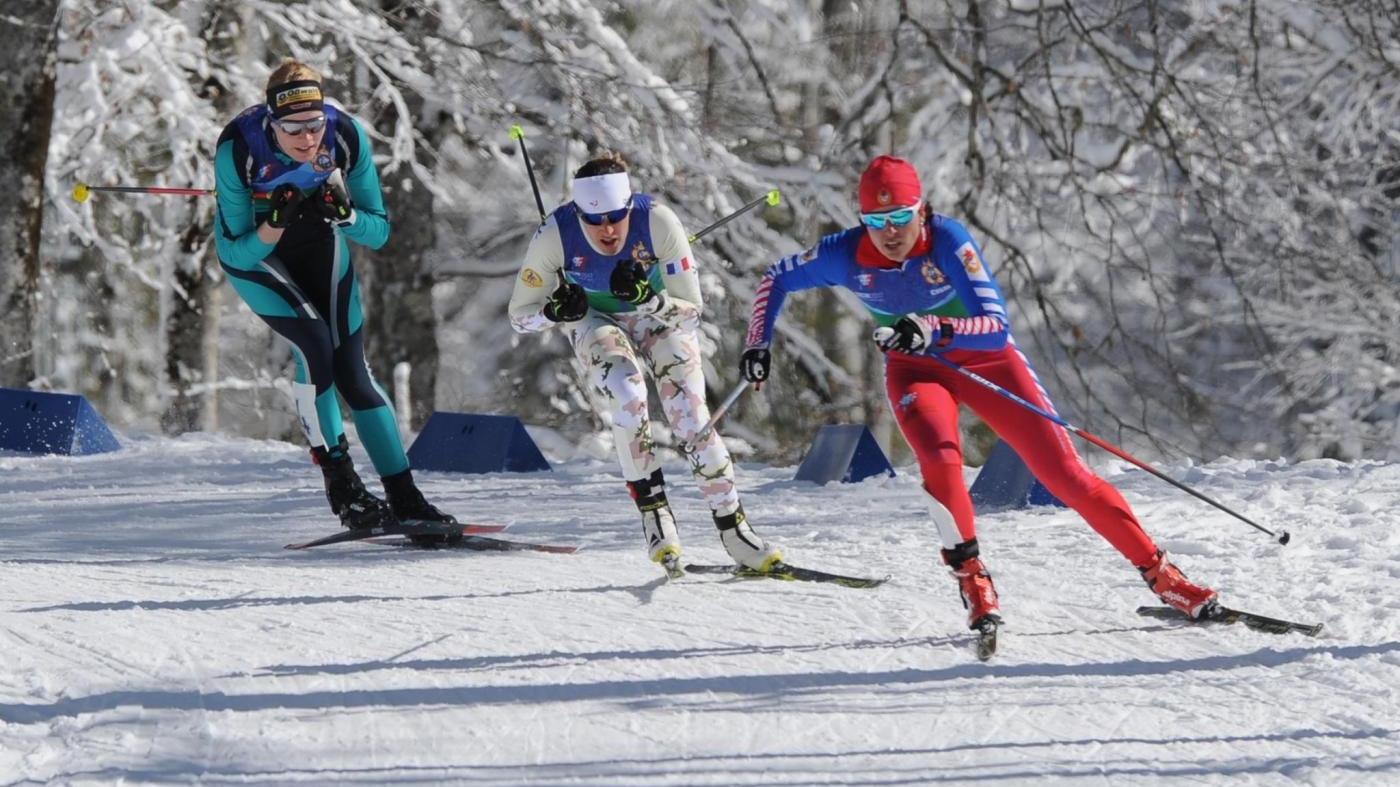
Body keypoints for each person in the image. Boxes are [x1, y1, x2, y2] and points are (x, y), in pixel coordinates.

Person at [739, 154, 1218, 630]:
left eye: (900, 217)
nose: (889, 232)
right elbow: (774, 278)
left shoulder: (947, 241)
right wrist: (757, 343)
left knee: (1066, 476)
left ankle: (1164, 577)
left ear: (920, 210)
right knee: (940, 459)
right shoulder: (844, 254)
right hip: (915, 372)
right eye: (875, 220)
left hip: (987, 362)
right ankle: (973, 579)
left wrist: (932, 328)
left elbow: (994, 327)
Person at [212, 59, 455, 533]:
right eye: (293, 129)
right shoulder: (238, 147)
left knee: (354, 372)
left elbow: (379, 232)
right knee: (314, 347)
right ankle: (343, 486)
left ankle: (404, 496)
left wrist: (345, 216)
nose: (308, 139)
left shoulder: (345, 136)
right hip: (257, 258)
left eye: (314, 124)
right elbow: (239, 251)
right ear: (270, 123)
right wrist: (274, 223)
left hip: (320, 245)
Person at [508, 153, 780, 574]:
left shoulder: (659, 222)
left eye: (616, 216)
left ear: (629, 205)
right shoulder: (553, 236)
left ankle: (734, 527)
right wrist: (555, 311)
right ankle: (655, 515)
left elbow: (691, 310)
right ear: (577, 213)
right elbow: (519, 315)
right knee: (626, 389)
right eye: (594, 221)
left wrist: (649, 299)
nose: (608, 230)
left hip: (658, 316)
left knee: (689, 416)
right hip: (595, 319)